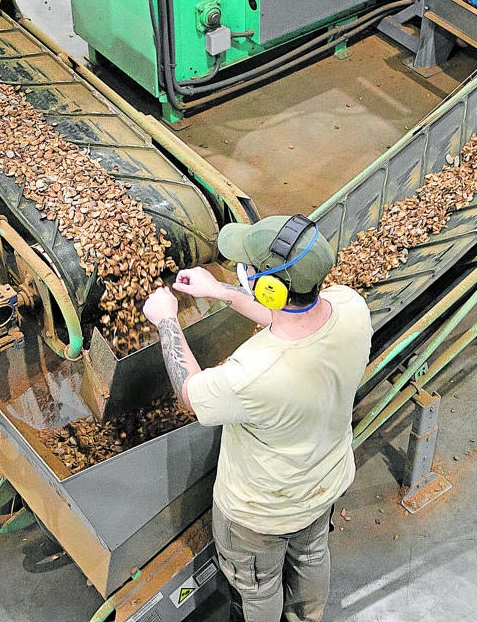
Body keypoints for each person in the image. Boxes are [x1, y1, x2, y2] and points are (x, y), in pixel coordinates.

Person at [142, 214, 372, 622]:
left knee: (257, 585)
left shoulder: (254, 370)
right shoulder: (352, 308)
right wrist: (223, 292)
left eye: (244, 268)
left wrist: (166, 320)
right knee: (312, 554)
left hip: (259, 514)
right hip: (324, 485)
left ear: (268, 287)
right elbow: (287, 317)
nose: (240, 271)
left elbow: (189, 395)